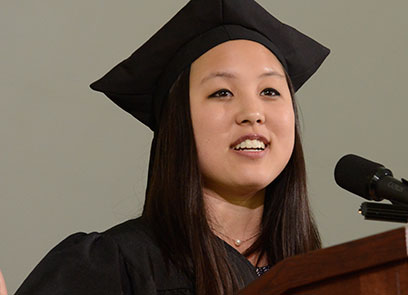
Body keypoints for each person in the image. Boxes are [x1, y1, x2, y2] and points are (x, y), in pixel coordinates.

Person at [14, 0, 329, 294]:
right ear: (176, 122)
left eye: (271, 91)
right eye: (221, 93)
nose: (253, 113)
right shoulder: (116, 266)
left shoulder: (332, 274)